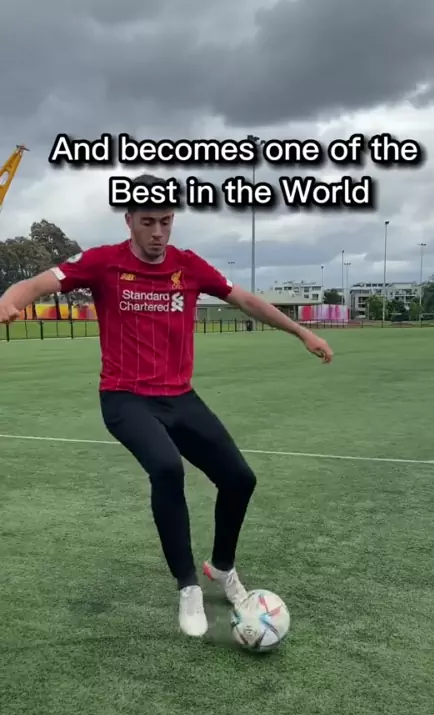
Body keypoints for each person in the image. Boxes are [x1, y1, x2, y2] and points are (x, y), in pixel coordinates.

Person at [0, 174, 333, 638]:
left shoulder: (188, 266)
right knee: (166, 467)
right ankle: (188, 587)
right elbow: (39, 283)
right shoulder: (102, 262)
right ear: (129, 221)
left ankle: (222, 568)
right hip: (125, 398)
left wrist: (301, 331)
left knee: (239, 478)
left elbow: (245, 299)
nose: (159, 232)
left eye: (166, 221)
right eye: (149, 222)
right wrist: (9, 299)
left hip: (180, 397)